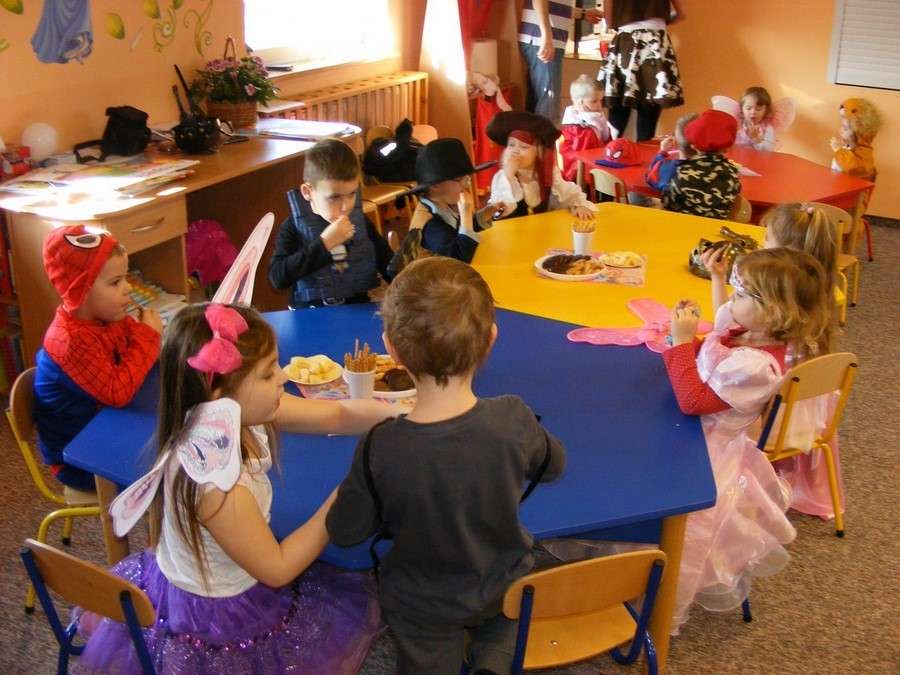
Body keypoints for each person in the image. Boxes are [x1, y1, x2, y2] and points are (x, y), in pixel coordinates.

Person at [72, 303, 392, 673]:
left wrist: (405, 415)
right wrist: (346, 492)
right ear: (218, 391)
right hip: (215, 615)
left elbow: (337, 414)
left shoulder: (235, 411)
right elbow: (278, 569)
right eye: (268, 372)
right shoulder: (217, 487)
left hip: (226, 570)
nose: (283, 376)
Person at [326, 258, 566, 675]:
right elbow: (553, 466)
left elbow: (346, 531)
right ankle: (494, 660)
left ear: (390, 348)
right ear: (490, 339)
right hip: (499, 581)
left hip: (423, 602)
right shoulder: (513, 416)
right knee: (511, 615)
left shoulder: (381, 446)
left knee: (425, 650)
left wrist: (361, 482)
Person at [662, 248, 832, 630]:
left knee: (683, 531)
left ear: (774, 312)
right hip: (690, 434)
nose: (731, 300)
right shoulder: (746, 332)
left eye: (740, 294)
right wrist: (717, 281)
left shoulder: (755, 366)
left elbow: (693, 402)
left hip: (705, 453)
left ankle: (658, 589)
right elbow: (716, 341)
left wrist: (680, 344)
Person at [704, 203, 843, 520]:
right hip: (804, 413)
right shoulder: (809, 300)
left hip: (763, 422)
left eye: (767, 238)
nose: (761, 242)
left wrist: (720, 282)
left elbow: (724, 326)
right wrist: (720, 278)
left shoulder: (773, 325)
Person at [33, 225, 162, 492]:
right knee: (168, 474)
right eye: (115, 282)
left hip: (110, 425)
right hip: (80, 459)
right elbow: (117, 392)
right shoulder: (71, 341)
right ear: (80, 291)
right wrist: (149, 337)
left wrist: (143, 335)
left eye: (125, 278)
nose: (128, 288)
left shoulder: (106, 315)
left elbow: (131, 353)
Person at [268, 138, 392, 309]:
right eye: (334, 197)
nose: (346, 206)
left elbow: (388, 264)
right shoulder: (292, 227)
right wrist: (324, 244)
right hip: (311, 313)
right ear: (307, 192)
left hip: (355, 307)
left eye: (352, 194)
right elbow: (278, 278)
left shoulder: (359, 221)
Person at [598, 0, 684, 140]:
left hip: (626, 40)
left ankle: (611, 150)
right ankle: (644, 150)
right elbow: (680, 14)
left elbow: (609, 21)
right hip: (656, 41)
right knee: (649, 107)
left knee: (619, 108)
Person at [487, 111, 597, 220]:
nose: (515, 151)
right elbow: (502, 212)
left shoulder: (547, 173)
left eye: (524, 147)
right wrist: (509, 176)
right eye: (511, 145)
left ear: (538, 151)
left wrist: (580, 205)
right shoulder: (502, 178)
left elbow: (569, 193)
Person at [405, 138, 496, 264]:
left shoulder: (444, 204)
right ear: (435, 185)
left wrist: (488, 212)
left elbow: (461, 230)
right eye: (459, 180)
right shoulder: (430, 224)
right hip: (438, 275)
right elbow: (461, 258)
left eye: (467, 178)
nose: (466, 184)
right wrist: (465, 214)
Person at [518, 0, 602, 123]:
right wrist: (546, 36)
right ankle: (545, 135)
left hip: (542, 39)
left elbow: (553, 6)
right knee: (549, 104)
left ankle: (533, 134)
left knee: (540, 102)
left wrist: (583, 14)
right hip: (541, 39)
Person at [661, 109, 740, 220]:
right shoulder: (733, 173)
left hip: (683, 226)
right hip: (718, 227)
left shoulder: (683, 171)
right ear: (727, 148)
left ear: (693, 146)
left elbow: (667, 204)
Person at [559, 74, 612, 182]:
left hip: (596, 166)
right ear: (580, 102)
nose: (599, 105)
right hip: (579, 174)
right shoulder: (576, 127)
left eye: (601, 100)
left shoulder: (594, 118)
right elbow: (584, 155)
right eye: (594, 101)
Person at [712, 87, 796, 152]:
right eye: (748, 108)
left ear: (766, 111)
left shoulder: (767, 128)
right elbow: (732, 143)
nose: (753, 112)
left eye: (758, 109)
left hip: (758, 163)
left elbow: (768, 151)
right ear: (742, 109)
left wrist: (756, 140)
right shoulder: (739, 125)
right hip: (739, 161)